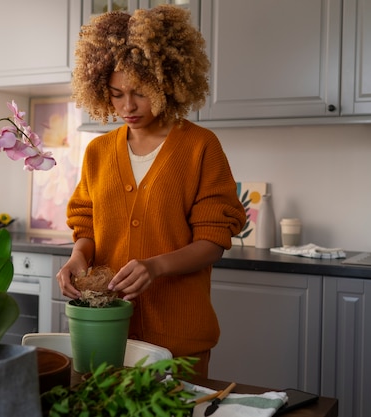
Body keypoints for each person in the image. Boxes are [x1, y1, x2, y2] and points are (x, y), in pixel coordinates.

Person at [56, 5, 247, 378]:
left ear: (168, 81)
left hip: (177, 339)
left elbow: (213, 240)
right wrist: (78, 256)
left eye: (141, 92)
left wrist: (155, 266)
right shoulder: (97, 152)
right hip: (108, 333)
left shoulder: (200, 147)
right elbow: (87, 227)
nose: (128, 106)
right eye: (115, 94)